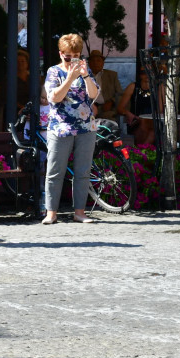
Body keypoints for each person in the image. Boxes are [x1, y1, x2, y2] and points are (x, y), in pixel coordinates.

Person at [42, 34, 99, 225]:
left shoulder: (85, 70)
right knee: (55, 171)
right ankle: (51, 212)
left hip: (85, 127)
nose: (72, 60)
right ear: (60, 54)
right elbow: (54, 98)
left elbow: (93, 95)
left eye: (76, 55)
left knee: (82, 171)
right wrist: (70, 78)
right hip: (60, 128)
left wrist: (84, 75)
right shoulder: (53, 71)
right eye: (68, 56)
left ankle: (79, 212)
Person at [118, 68, 156, 146]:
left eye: (150, 72)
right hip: (136, 120)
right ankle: (142, 152)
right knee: (146, 128)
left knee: (152, 131)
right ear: (140, 75)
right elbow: (120, 108)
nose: (147, 75)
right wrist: (128, 113)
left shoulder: (158, 87)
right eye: (144, 72)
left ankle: (141, 152)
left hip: (154, 121)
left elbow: (161, 110)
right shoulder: (133, 87)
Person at [88, 49, 121, 120]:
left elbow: (120, 93)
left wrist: (111, 101)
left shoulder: (112, 75)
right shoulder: (84, 76)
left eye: (98, 60)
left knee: (110, 121)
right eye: (92, 61)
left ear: (103, 63)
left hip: (106, 109)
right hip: (88, 108)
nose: (95, 63)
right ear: (89, 63)